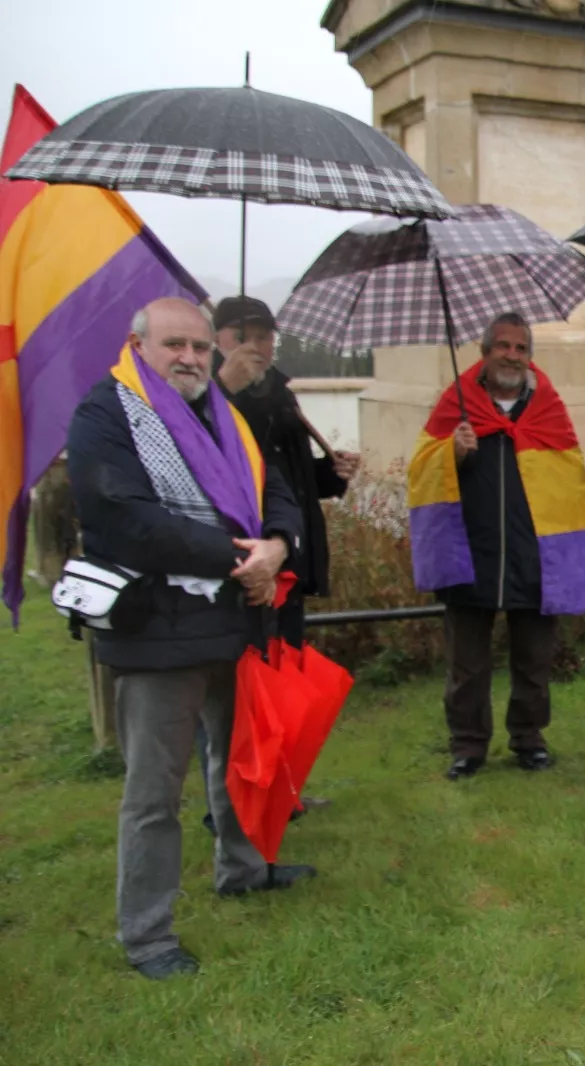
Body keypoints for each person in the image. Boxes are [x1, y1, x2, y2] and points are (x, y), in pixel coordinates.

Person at [65, 297, 313, 981]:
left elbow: (279, 489)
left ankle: (244, 870)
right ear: (138, 344)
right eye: (175, 345)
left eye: (201, 348)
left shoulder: (223, 415)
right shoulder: (106, 414)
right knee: (155, 791)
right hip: (155, 629)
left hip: (233, 621)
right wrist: (244, 559)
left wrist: (278, 542)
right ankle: (147, 936)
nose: (190, 359)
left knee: (238, 763)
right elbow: (125, 517)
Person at [410, 312, 585, 780]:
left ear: (530, 356)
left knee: (533, 659)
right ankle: (468, 745)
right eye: (503, 346)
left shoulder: (548, 407)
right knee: (467, 665)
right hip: (470, 553)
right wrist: (453, 452)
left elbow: (567, 477)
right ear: (484, 353)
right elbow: (421, 471)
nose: (512, 355)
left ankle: (529, 738)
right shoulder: (456, 406)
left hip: (535, 555)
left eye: (520, 348)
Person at [212, 295, 359, 645]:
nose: (256, 347)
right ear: (219, 340)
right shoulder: (203, 393)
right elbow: (198, 451)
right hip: (244, 556)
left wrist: (332, 472)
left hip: (292, 554)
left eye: (264, 337)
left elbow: (297, 476)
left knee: (285, 665)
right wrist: (223, 392)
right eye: (243, 336)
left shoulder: (281, 393)